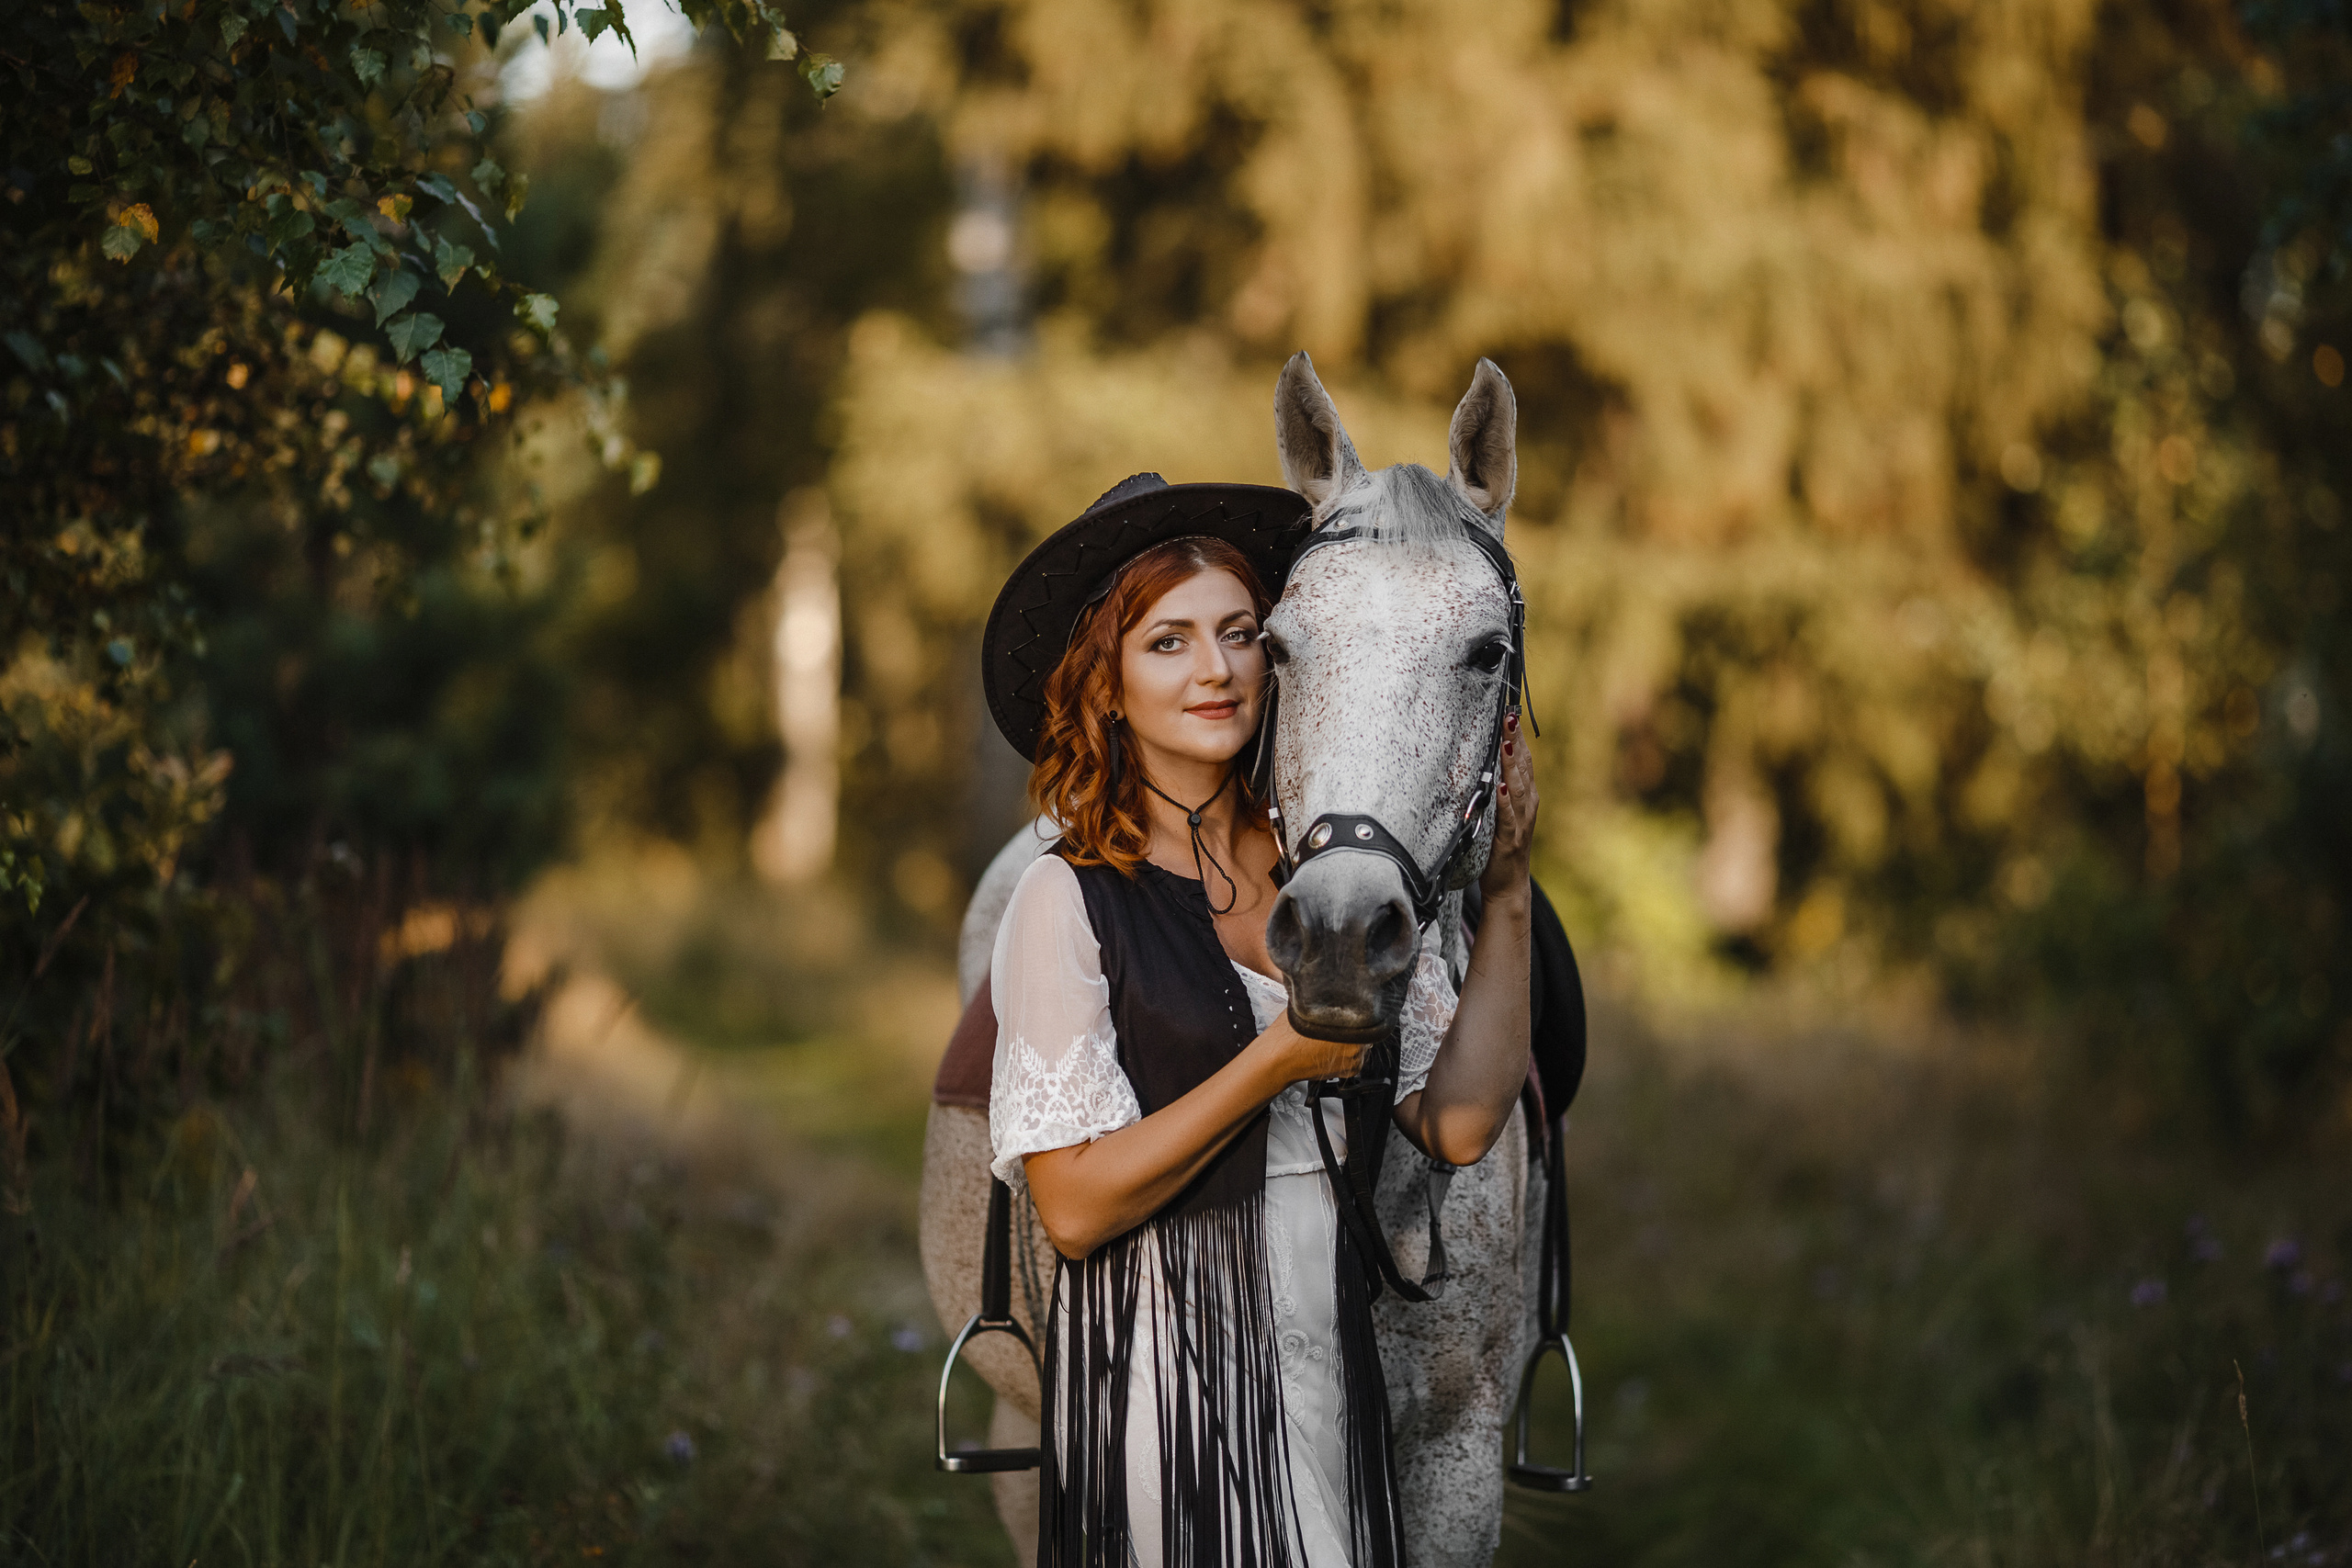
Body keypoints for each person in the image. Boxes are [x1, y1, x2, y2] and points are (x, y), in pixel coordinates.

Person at [978, 473, 1537, 1568]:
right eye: (1168, 643)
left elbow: (1460, 1126)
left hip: (1322, 1353)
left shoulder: (1323, 882)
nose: (1217, 670)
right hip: (1166, 1368)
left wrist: (1509, 895)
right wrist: (1281, 1059)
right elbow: (1078, 1209)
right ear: (1106, 685)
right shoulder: (1067, 896)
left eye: (1240, 634)